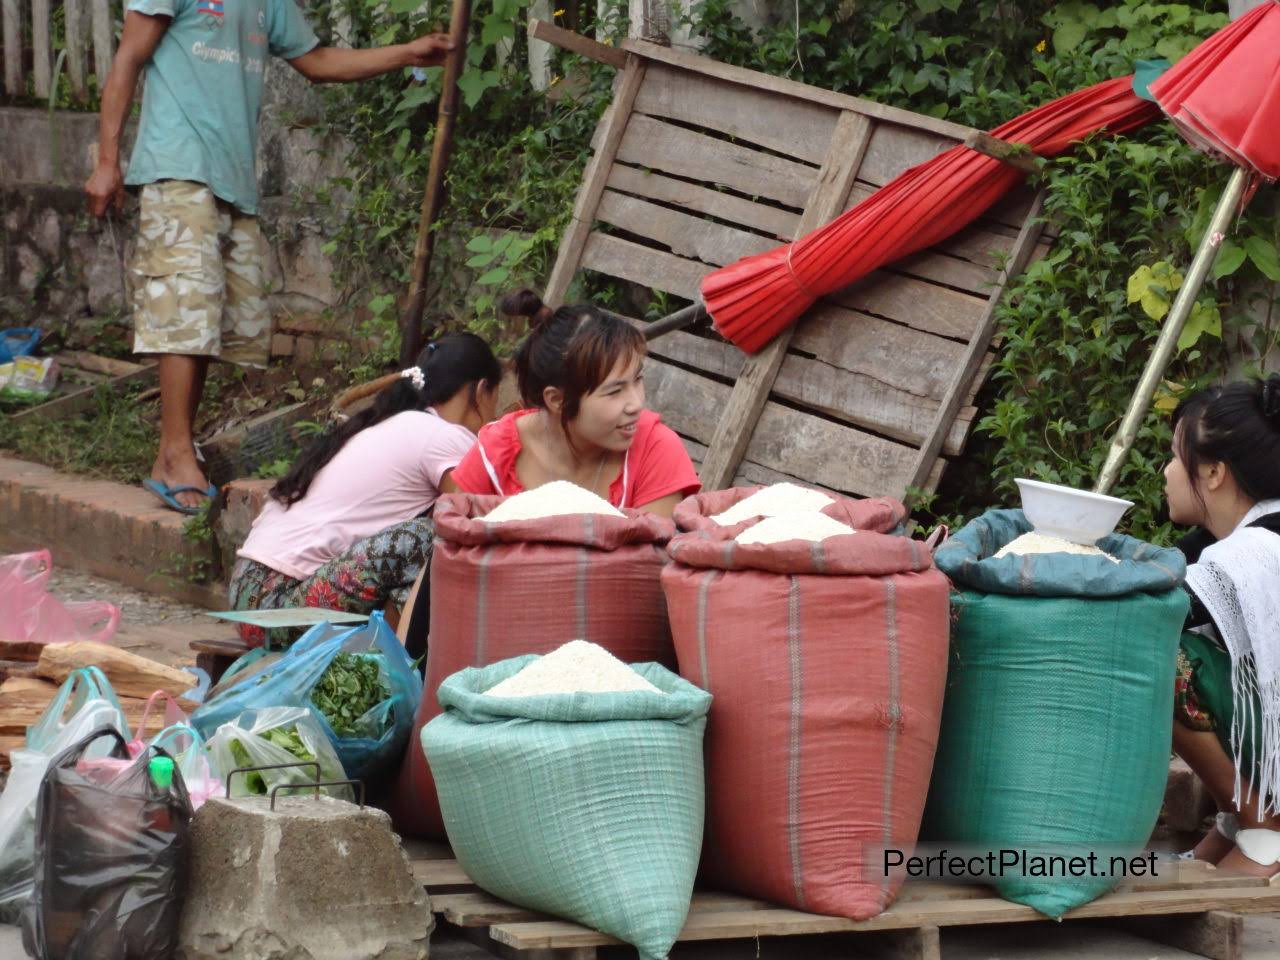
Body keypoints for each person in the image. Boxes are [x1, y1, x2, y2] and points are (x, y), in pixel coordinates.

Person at [85, 0, 453, 514]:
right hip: (177, 165)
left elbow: (317, 62)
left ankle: (176, 450)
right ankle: (173, 453)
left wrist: (408, 53)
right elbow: (127, 58)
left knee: (209, 323)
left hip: (232, 180)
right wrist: (107, 162)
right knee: (183, 310)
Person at [228, 334, 501, 648]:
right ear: (481, 391)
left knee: (424, 544)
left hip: (250, 596)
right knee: (431, 535)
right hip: (278, 605)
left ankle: (397, 660)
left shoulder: (386, 424)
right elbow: (478, 520)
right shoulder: (444, 436)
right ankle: (400, 665)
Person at [445, 289, 702, 516]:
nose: (635, 404)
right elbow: (454, 548)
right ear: (557, 399)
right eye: (614, 392)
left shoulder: (653, 448)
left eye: (637, 380)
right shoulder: (496, 454)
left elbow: (650, 562)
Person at [1168, 374, 1280, 878]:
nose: (1166, 472)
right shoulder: (1230, 540)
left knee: (1152, 654)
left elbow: (1158, 611)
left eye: (1175, 457)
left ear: (1213, 472)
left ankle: (1264, 826)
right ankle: (1240, 822)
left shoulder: (1256, 551)